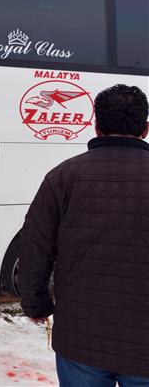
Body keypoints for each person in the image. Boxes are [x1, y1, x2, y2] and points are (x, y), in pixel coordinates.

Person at [19, 84, 149, 385]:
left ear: (96, 126)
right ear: (144, 129)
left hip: (81, 339)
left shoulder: (63, 177)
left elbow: (35, 247)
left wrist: (36, 302)